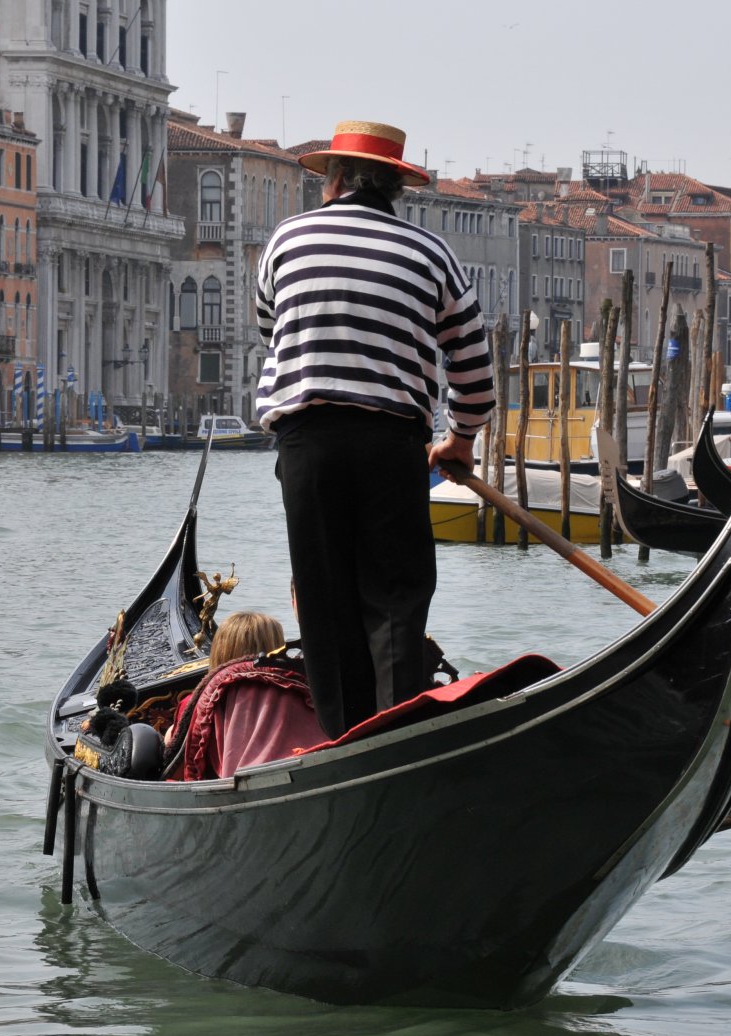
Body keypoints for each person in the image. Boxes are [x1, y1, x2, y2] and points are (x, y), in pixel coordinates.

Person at [254, 119, 495, 737]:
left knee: (326, 605)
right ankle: (397, 739)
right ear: (395, 188)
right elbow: (472, 363)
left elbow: (273, 334)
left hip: (307, 443)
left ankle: (344, 743)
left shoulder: (286, 240)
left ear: (332, 180)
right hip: (392, 444)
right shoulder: (429, 253)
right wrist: (461, 440)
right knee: (395, 601)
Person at [166, 611, 327, 780]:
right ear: (277, 648)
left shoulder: (194, 702)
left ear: (219, 650)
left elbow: (177, 771)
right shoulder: (301, 691)